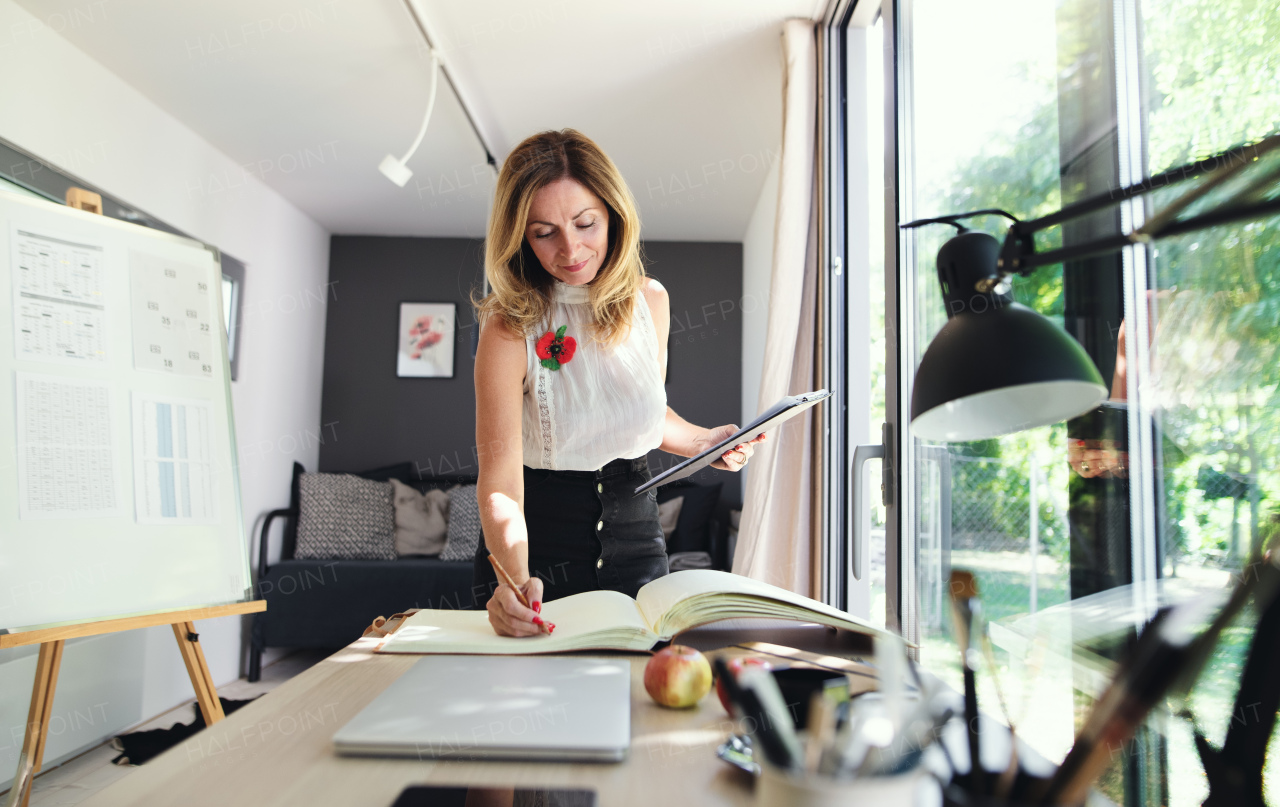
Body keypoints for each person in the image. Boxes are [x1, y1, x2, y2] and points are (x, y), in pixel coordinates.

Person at [471, 129, 766, 638]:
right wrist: (514, 582)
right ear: (519, 235)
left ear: (613, 213)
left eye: (586, 223)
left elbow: (649, 414)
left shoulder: (650, 301)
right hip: (537, 550)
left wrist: (704, 442)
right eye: (544, 232)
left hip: (640, 541)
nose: (570, 249)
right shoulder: (508, 326)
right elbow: (500, 483)